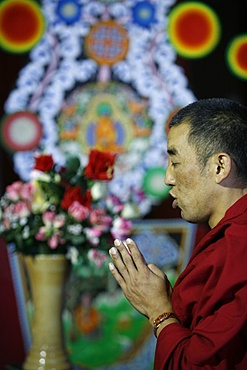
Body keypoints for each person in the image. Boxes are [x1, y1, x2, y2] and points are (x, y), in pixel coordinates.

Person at [108, 98, 247, 369]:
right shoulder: (227, 237)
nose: (168, 178)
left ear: (219, 166)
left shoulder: (239, 245)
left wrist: (159, 312)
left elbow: (199, 363)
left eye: (176, 162)